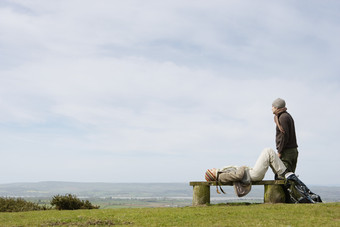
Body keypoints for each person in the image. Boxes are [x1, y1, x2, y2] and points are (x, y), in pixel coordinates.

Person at [272, 98, 299, 173]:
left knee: (282, 178)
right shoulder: (285, 116)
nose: (271, 108)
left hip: (286, 152)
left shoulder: (283, 117)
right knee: (290, 178)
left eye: (272, 106)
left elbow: (285, 136)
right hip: (291, 151)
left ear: (277, 107)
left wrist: (280, 152)